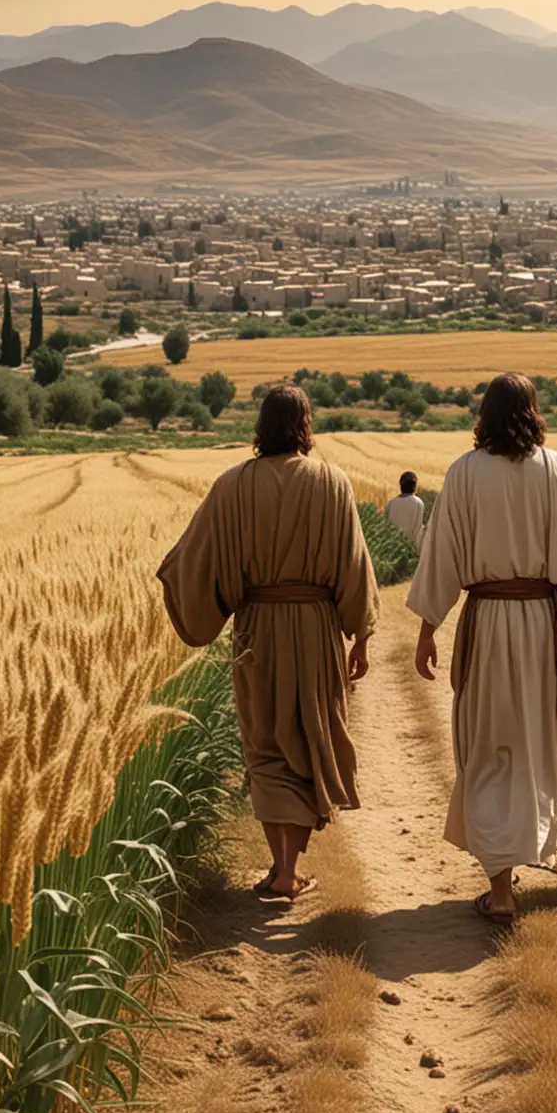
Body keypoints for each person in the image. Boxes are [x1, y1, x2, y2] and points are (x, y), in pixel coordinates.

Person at [408, 373, 557, 925]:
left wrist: (429, 626)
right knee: (536, 746)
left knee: (484, 747)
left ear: (484, 413)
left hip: (486, 624)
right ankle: (514, 868)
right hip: (549, 631)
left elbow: (443, 557)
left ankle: (500, 885)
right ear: (533, 412)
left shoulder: (463, 473)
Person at [157, 384, 378, 902]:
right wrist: (360, 636)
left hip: (257, 629)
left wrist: (180, 583)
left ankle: (280, 870)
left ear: (261, 424)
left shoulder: (231, 485)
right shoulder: (333, 482)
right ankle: (288, 871)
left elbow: (194, 558)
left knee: (266, 745)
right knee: (309, 738)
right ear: (306, 425)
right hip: (316, 629)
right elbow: (353, 565)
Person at [385, 471, 427, 547]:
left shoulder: (390, 503)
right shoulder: (418, 503)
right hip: (411, 548)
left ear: (400, 485)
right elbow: (418, 529)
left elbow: (386, 526)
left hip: (393, 548)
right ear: (415, 487)